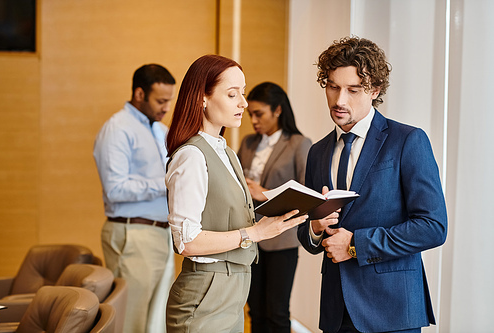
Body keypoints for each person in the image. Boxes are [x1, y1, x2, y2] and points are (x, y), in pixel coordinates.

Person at [297, 36, 448, 333]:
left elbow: (433, 226)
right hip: (335, 312)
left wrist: (355, 244)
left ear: (375, 90)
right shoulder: (318, 152)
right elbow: (309, 234)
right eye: (332, 86)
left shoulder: (407, 141)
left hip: (391, 310)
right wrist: (314, 229)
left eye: (353, 90)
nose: (339, 100)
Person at [164, 54, 308, 333]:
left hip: (234, 287)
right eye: (232, 95)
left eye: (242, 93)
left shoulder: (227, 152)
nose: (243, 102)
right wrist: (254, 234)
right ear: (202, 99)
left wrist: (273, 220)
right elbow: (186, 241)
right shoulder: (192, 156)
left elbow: (227, 215)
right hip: (206, 293)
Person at [93, 64, 176, 333]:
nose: (166, 108)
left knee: (155, 324)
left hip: (161, 235)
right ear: (140, 94)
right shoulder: (118, 128)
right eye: (160, 101)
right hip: (132, 233)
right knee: (130, 322)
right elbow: (115, 189)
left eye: (168, 101)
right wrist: (165, 183)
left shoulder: (160, 131)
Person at [237, 82, 312, 332]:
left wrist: (264, 194)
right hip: (249, 237)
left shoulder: (299, 144)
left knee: (277, 312)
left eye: (259, 114)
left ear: (278, 110)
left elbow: (305, 194)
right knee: (254, 310)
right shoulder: (248, 143)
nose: (253, 120)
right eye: (251, 115)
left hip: (282, 240)